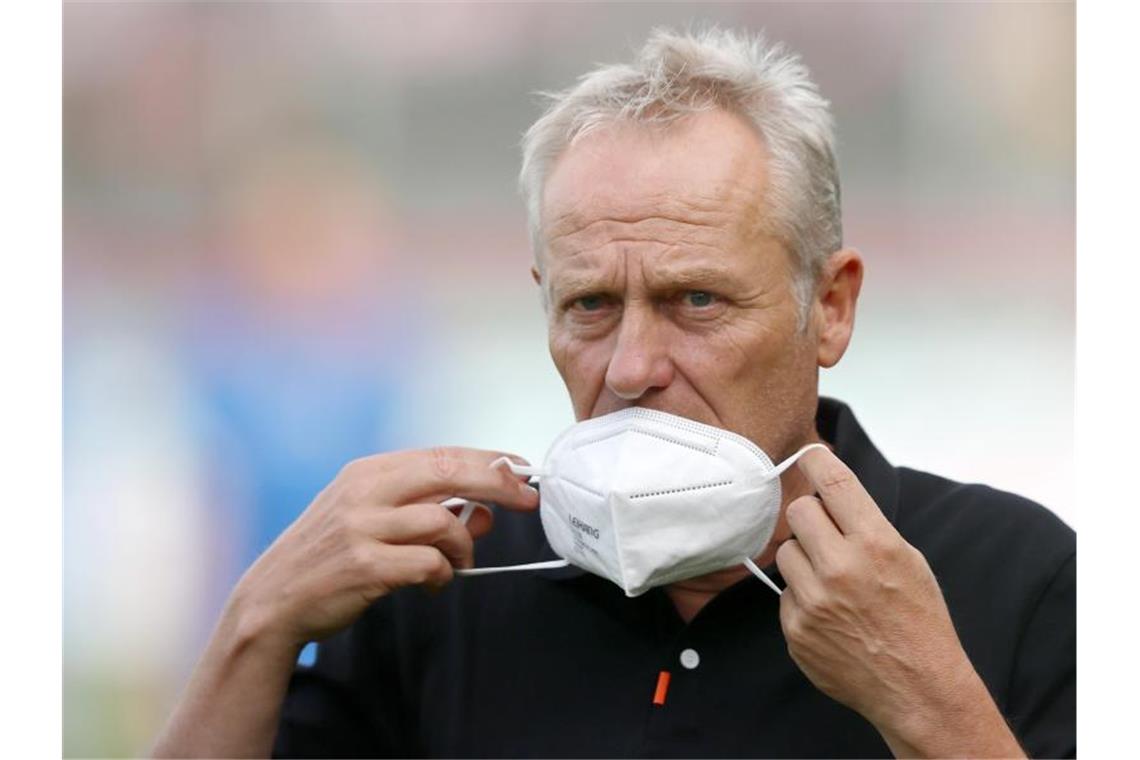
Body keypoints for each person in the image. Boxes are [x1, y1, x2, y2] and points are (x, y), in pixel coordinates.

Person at [153, 27, 1075, 758]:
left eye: (697, 300)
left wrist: (932, 707)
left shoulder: (1023, 579)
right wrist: (259, 618)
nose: (631, 366)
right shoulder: (447, 588)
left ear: (829, 307)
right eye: (591, 305)